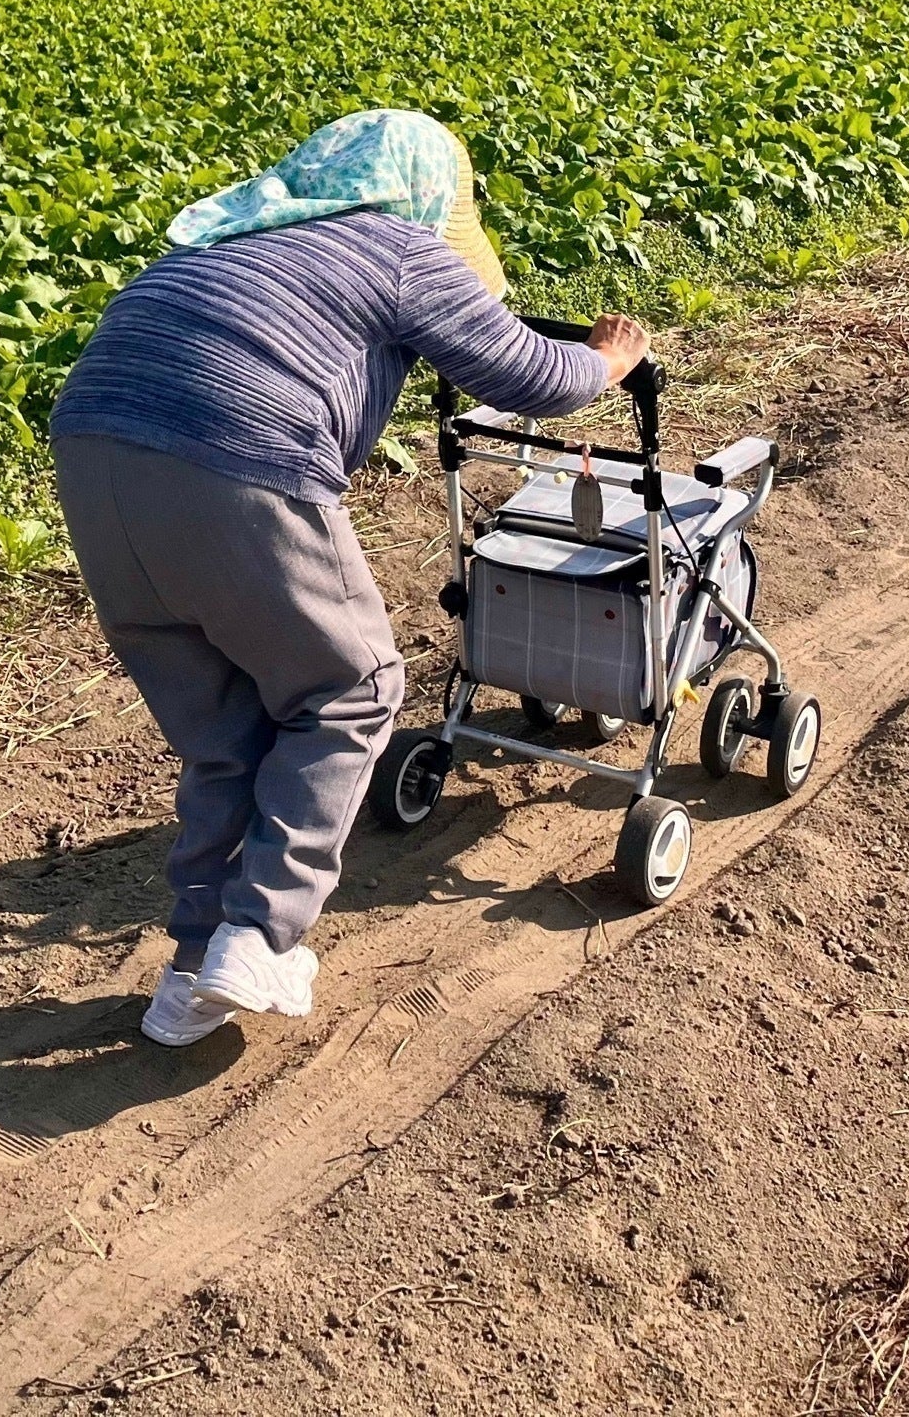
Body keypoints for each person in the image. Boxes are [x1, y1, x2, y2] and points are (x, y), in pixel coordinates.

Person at [49, 108, 648, 1048]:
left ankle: (191, 972)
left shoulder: (225, 244)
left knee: (226, 731)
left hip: (93, 461)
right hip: (239, 455)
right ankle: (259, 937)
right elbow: (530, 377)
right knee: (351, 686)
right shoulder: (400, 248)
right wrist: (606, 360)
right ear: (424, 195)